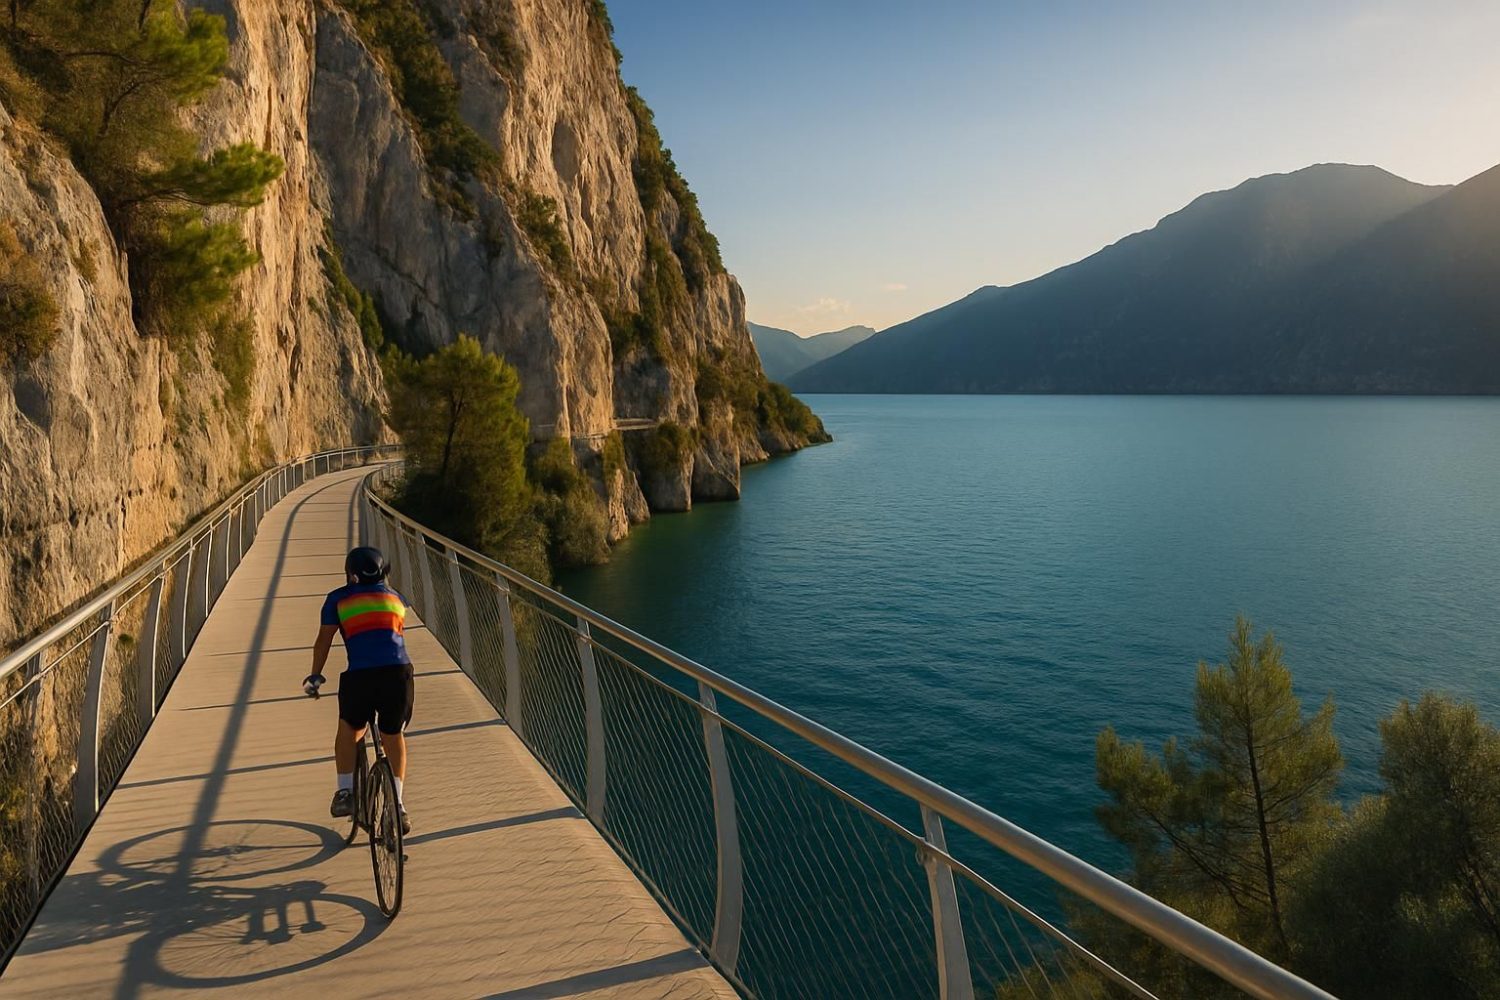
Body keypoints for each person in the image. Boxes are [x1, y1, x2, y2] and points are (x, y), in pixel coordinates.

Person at [303, 546, 413, 833]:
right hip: (399, 673)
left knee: (350, 729)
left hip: (361, 676)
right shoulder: (396, 598)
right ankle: (398, 806)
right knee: (393, 733)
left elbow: (323, 641)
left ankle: (345, 793)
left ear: (350, 575)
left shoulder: (338, 599)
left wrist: (315, 675)